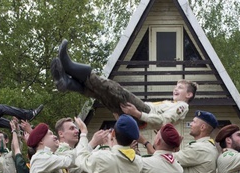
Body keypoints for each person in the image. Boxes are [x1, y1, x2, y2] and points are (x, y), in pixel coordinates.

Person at [51, 40, 196, 130]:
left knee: (116, 90)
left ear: (189, 95)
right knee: (101, 95)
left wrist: (138, 113)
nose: (176, 89)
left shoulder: (182, 106)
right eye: (176, 86)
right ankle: (67, 83)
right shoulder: (171, 103)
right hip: (140, 117)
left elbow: (163, 122)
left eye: (181, 88)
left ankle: (69, 67)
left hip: (142, 113)